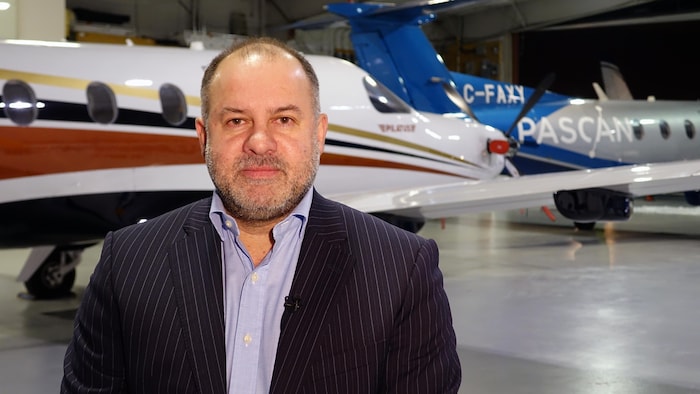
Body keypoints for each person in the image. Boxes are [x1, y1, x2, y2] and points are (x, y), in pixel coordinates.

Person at [61, 36, 461, 393]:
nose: (259, 142)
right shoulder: (127, 262)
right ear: (204, 136)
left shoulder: (402, 269)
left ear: (318, 134)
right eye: (236, 120)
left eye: (283, 119)